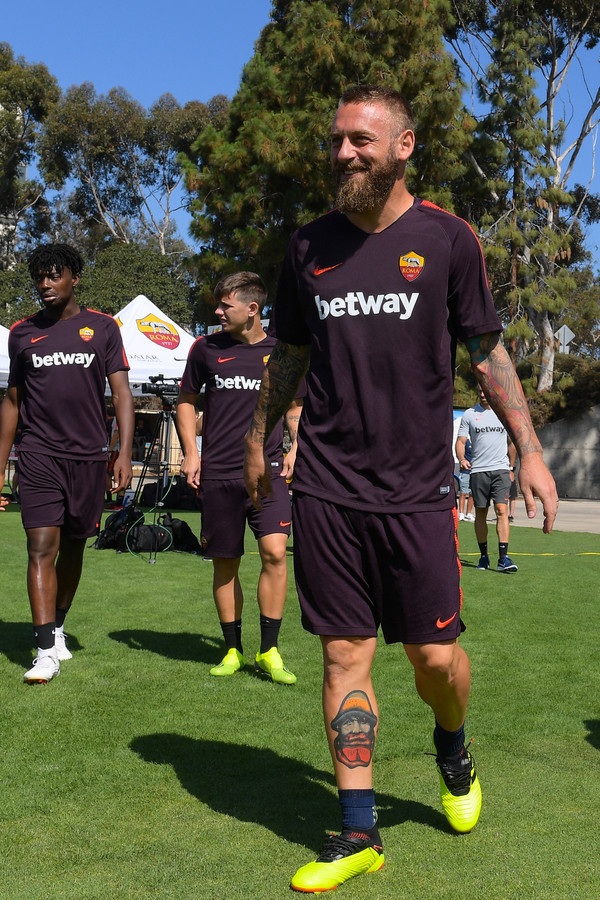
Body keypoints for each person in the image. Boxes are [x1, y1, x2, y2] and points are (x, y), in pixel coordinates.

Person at [243, 85, 558, 892]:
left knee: (433, 658)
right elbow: (290, 358)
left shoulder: (448, 239)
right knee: (343, 656)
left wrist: (528, 448)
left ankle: (452, 747)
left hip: (419, 492)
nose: (344, 153)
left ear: (404, 146)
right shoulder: (308, 245)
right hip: (327, 488)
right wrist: (257, 437)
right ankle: (358, 832)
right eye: (338, 140)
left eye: (360, 140)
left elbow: (486, 354)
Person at [0, 243, 134, 684]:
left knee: (74, 545)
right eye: (39, 277)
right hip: (38, 455)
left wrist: (124, 453)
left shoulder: (103, 328)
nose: (44, 284)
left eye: (53, 275)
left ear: (74, 278)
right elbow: (12, 403)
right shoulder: (21, 333)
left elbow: (122, 396)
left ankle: (57, 626)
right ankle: (43, 651)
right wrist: (0, 468)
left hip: (89, 458)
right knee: (41, 547)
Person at [177, 272, 303, 685]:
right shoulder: (205, 349)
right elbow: (185, 401)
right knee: (225, 564)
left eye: (224, 305)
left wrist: (295, 446)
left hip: (268, 476)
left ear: (252, 309)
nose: (217, 311)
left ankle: (269, 650)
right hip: (218, 475)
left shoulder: (282, 352)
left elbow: (295, 407)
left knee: (275, 554)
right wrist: (191, 453)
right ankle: (232, 649)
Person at [456, 387, 518, 572]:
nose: (482, 395)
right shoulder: (469, 414)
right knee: (481, 513)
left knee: (501, 510)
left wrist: (511, 467)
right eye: (480, 391)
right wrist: (462, 459)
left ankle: (503, 559)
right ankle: (483, 557)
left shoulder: (503, 413)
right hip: (478, 471)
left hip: (500, 470)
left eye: (486, 392)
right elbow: (460, 442)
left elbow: (512, 442)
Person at [457, 437, 475, 522]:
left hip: (475, 470)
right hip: (465, 471)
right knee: (463, 493)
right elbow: (460, 453)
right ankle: (461, 513)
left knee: (472, 493)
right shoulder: (466, 441)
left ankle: (468, 513)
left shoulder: (477, 440)